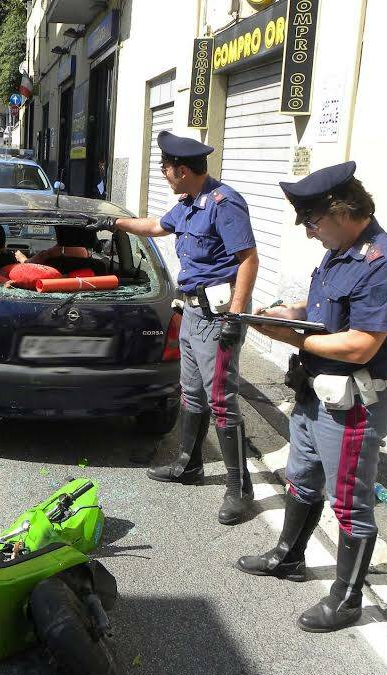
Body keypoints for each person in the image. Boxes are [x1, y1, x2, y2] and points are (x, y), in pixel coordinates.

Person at [236, 161, 387, 633]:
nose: (310, 233)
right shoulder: (341, 252)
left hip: (353, 405)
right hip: (316, 393)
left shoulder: (383, 263)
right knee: (301, 476)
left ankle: (347, 599)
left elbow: (360, 343)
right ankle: (288, 556)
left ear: (342, 210)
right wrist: (283, 314)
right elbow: (324, 313)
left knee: (350, 503)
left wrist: (289, 338)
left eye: (313, 223)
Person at [88, 131, 259, 525]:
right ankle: (189, 463)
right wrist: (115, 222)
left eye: (166, 168)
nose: (164, 174)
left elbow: (248, 259)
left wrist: (235, 315)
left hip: (219, 316)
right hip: (194, 311)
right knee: (193, 392)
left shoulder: (224, 203)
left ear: (182, 170)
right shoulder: (189, 203)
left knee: (221, 400)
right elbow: (156, 227)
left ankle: (239, 488)